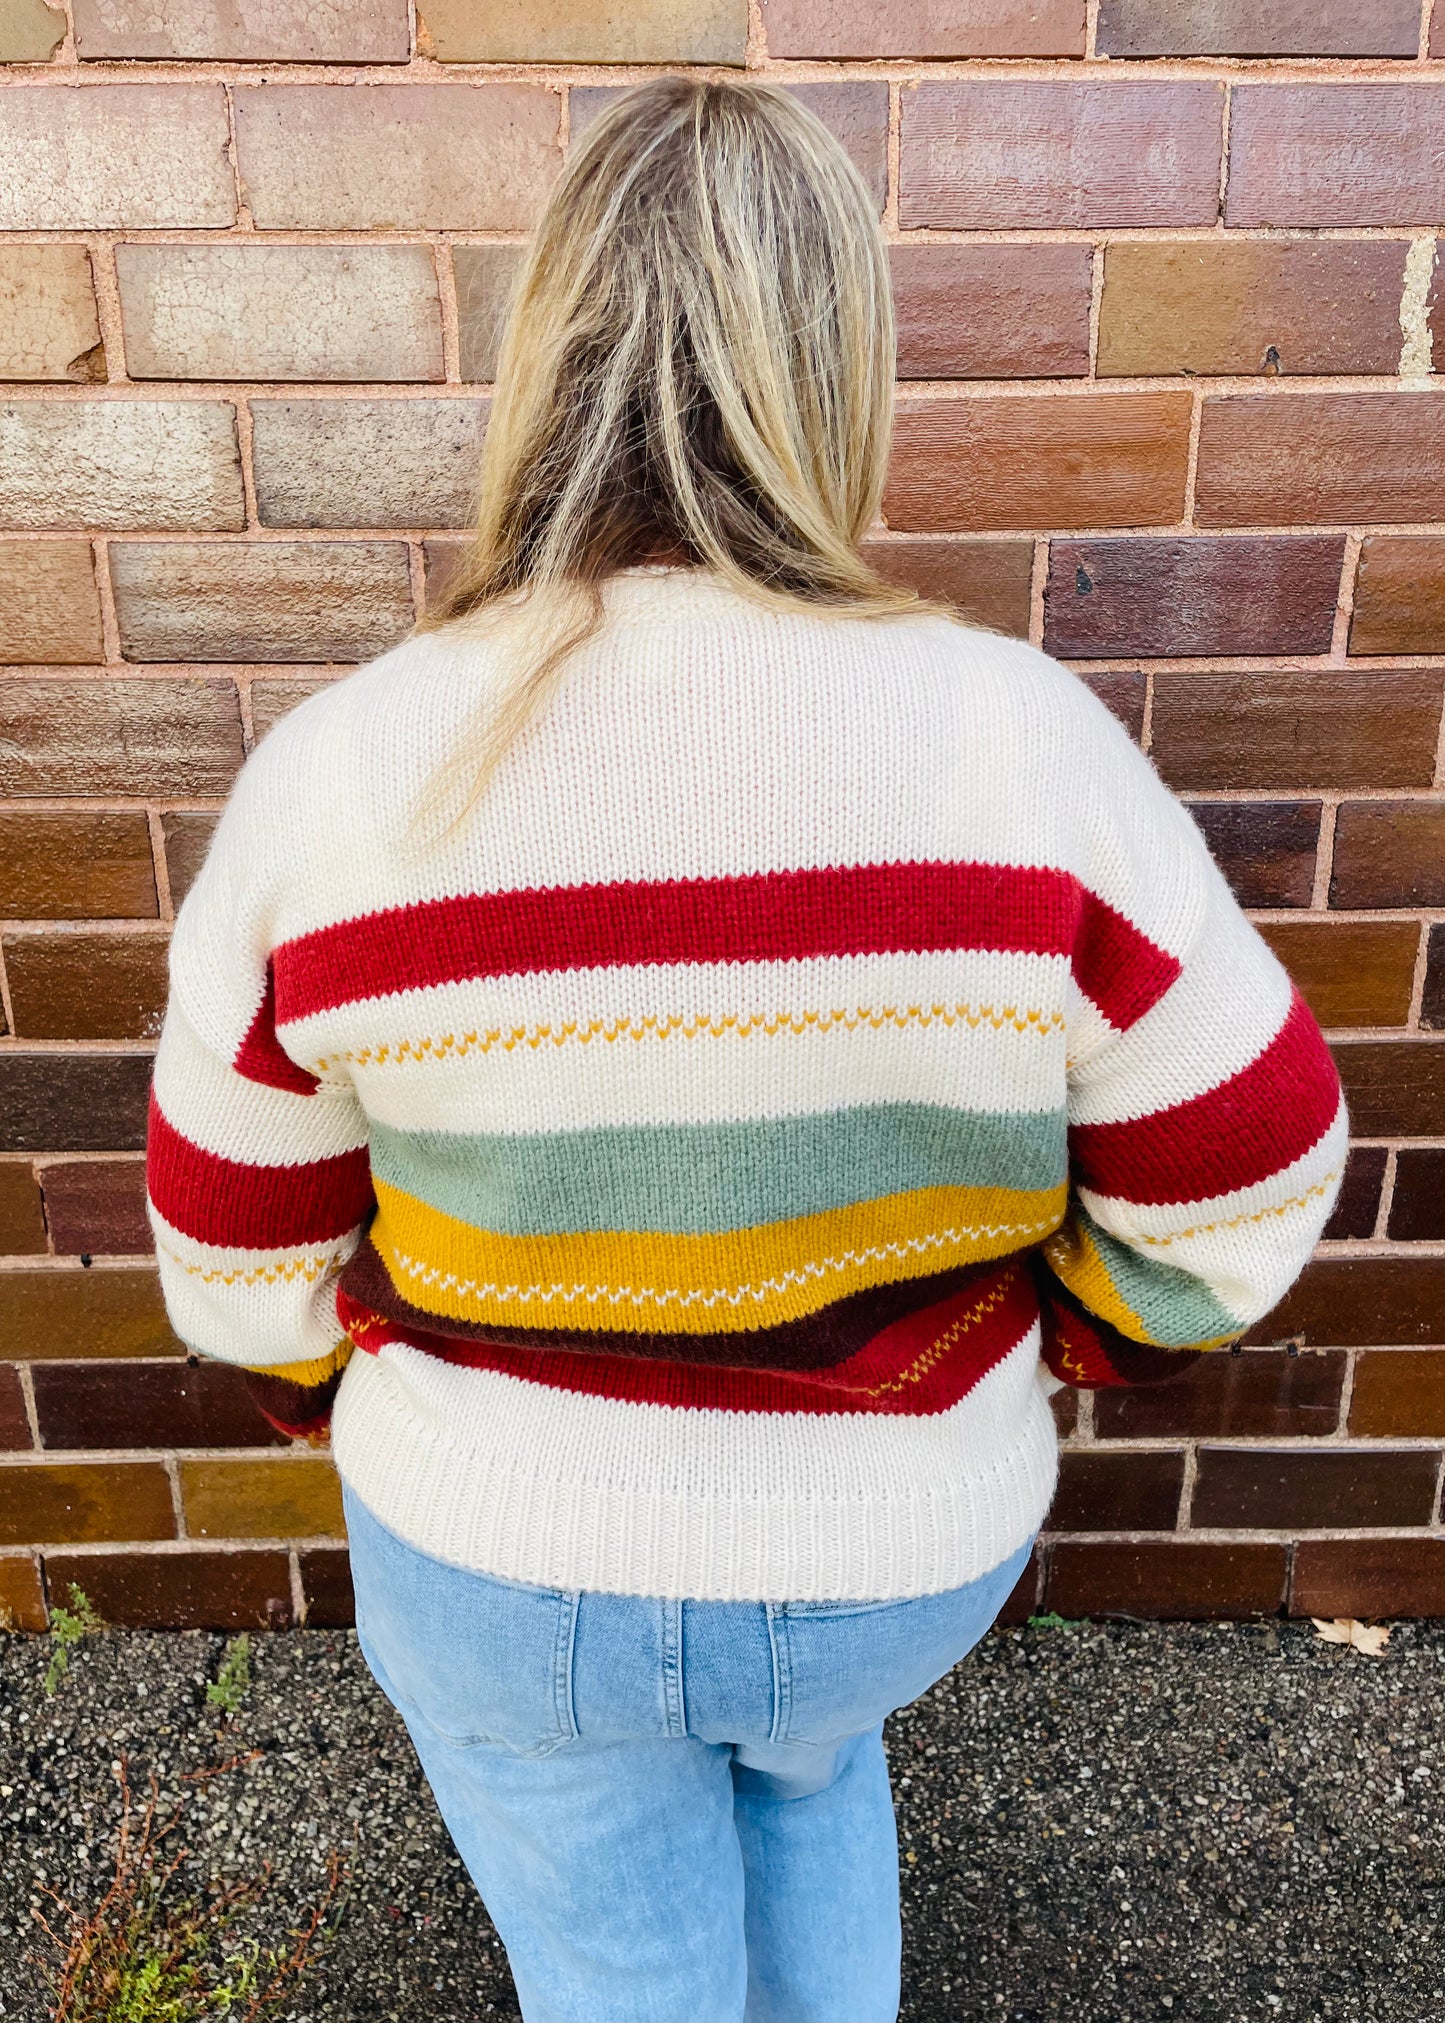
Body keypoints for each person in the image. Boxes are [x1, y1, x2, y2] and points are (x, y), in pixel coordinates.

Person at [146, 74, 1345, 2023]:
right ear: (837, 364)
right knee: (809, 1778)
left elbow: (236, 1271)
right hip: (899, 1542)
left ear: (544, 354)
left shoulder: (352, 772)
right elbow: (1250, 1184)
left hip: (495, 1548)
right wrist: (1051, 1329)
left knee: (625, 1969)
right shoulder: (1016, 743)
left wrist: (349, 1387)